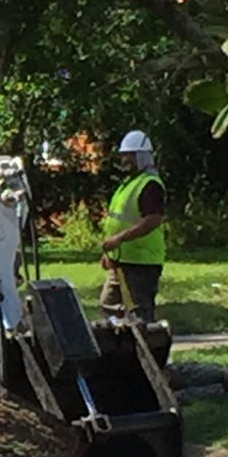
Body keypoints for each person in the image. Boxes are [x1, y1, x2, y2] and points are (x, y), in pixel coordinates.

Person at [99, 130, 167, 323]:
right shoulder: (129, 184)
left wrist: (119, 239)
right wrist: (109, 252)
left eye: (129, 155)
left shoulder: (150, 185)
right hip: (120, 262)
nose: (124, 159)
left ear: (141, 156)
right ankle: (115, 353)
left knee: (139, 318)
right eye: (123, 155)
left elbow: (153, 219)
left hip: (141, 264)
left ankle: (147, 353)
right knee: (109, 313)